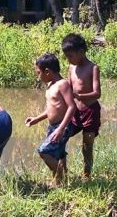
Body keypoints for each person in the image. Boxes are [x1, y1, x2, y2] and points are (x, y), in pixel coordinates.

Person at [25, 53, 76, 187]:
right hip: (53, 125)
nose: (38, 77)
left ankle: (60, 178)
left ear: (47, 72)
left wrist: (61, 129)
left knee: (44, 151)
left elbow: (72, 107)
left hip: (63, 126)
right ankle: (62, 180)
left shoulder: (62, 84)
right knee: (59, 153)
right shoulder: (50, 86)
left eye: (38, 73)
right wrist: (36, 119)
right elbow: (52, 109)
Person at [62, 33, 101, 181]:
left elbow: (97, 93)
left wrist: (79, 96)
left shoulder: (93, 68)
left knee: (87, 144)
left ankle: (86, 174)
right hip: (74, 111)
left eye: (71, 56)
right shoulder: (71, 67)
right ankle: (62, 171)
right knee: (62, 137)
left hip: (90, 110)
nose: (69, 59)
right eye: (67, 56)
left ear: (81, 52)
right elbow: (68, 87)